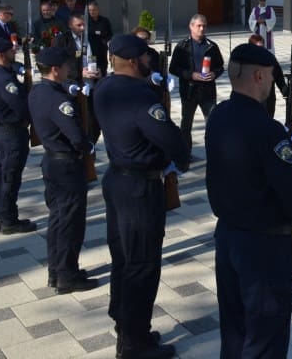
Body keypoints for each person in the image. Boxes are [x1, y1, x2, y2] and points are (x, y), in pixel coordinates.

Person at [205, 43, 292, 358]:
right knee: (266, 338)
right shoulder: (268, 130)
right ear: (258, 76)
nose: (271, 83)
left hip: (228, 236)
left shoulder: (218, 115)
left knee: (235, 330)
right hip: (263, 248)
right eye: (270, 76)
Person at [95, 34, 189, 359]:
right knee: (143, 264)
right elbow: (171, 139)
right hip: (139, 189)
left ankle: (127, 326)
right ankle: (134, 344)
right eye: (147, 57)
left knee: (123, 259)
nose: (151, 61)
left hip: (117, 180)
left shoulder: (104, 87)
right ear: (134, 61)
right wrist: (181, 157)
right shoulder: (140, 95)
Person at [28, 46, 97, 293]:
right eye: (67, 66)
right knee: (70, 222)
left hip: (52, 161)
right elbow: (76, 137)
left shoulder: (38, 91)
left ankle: (56, 271)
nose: (70, 69)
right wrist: (89, 147)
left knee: (58, 219)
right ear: (56, 70)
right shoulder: (58, 101)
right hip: (67, 165)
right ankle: (68, 275)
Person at [0, 37, 35, 234]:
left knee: (4, 176)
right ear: (0, 54)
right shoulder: (4, 80)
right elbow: (21, 106)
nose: (13, 51)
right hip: (11, 133)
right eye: (10, 50)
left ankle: (3, 216)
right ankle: (8, 220)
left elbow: (14, 67)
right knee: (10, 178)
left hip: (3, 131)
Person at [169, 14, 225, 153]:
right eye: (199, 26)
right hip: (189, 91)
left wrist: (214, 74)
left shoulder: (212, 46)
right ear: (191, 26)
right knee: (186, 124)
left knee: (212, 123)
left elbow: (220, 66)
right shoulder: (182, 46)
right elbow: (173, 68)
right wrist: (191, 75)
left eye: (204, 26)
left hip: (207, 91)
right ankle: (185, 153)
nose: (202, 29)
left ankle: (213, 152)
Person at [53, 15, 103, 144]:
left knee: (94, 122)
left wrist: (100, 71)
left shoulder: (93, 38)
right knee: (76, 121)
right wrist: (79, 73)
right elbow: (59, 63)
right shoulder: (62, 40)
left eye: (84, 25)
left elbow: (102, 57)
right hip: (73, 87)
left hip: (92, 86)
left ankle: (91, 145)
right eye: (78, 25)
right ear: (70, 25)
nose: (82, 28)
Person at [248, 33, 288, 119]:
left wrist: (284, 90)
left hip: (269, 100)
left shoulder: (270, 58)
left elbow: (279, 76)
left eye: (262, 47)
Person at [87, 1, 113, 77]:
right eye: (90, 10)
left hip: (102, 50)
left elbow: (110, 34)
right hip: (91, 51)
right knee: (92, 69)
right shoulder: (86, 21)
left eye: (94, 10)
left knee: (103, 69)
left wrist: (106, 41)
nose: (92, 12)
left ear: (98, 10)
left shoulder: (105, 21)